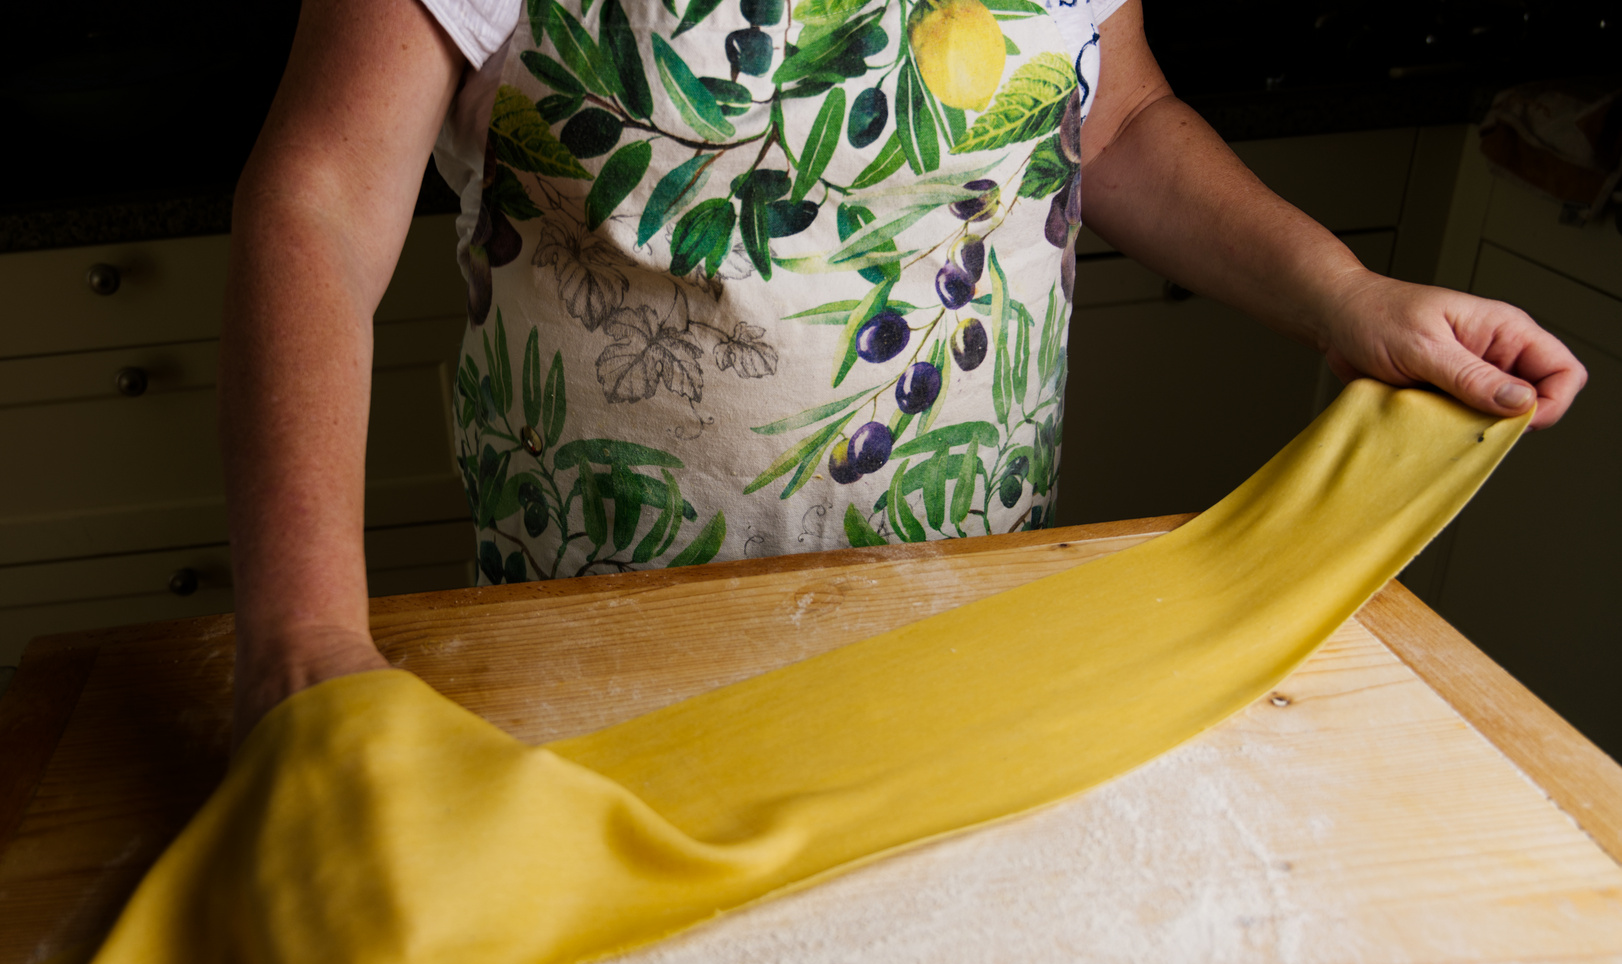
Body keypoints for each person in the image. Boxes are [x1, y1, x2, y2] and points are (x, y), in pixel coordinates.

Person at [218, 0, 1587, 739]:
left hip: (954, 622)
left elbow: (1116, 115)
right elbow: (320, 206)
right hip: (591, 641)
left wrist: (1342, 294)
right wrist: (305, 639)